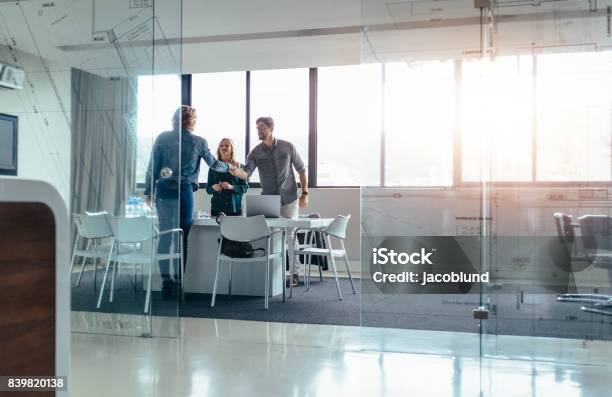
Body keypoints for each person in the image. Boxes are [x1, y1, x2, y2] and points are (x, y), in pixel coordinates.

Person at [145, 106, 237, 297]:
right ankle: (179, 284)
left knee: (164, 237)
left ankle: (166, 283)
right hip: (184, 192)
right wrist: (230, 167)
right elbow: (214, 163)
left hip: (163, 191)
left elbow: (152, 168)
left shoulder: (162, 137)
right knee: (181, 237)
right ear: (191, 121)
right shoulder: (199, 141)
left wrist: (148, 191)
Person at [231, 116, 308, 286]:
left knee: (291, 236)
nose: (258, 131)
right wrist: (237, 172)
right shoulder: (255, 152)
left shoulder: (287, 147)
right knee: (270, 237)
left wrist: (305, 193)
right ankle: (273, 276)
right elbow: (246, 173)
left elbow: (301, 169)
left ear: (271, 128)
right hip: (269, 200)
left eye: (261, 128)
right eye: (257, 128)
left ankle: (294, 274)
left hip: (289, 199)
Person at [206, 138, 249, 216]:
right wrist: (213, 187)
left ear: (232, 149)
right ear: (219, 149)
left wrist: (231, 187)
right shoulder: (213, 168)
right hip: (217, 209)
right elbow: (208, 190)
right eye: (221, 146)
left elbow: (245, 188)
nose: (223, 147)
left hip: (235, 209)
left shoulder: (239, 167)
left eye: (226, 145)